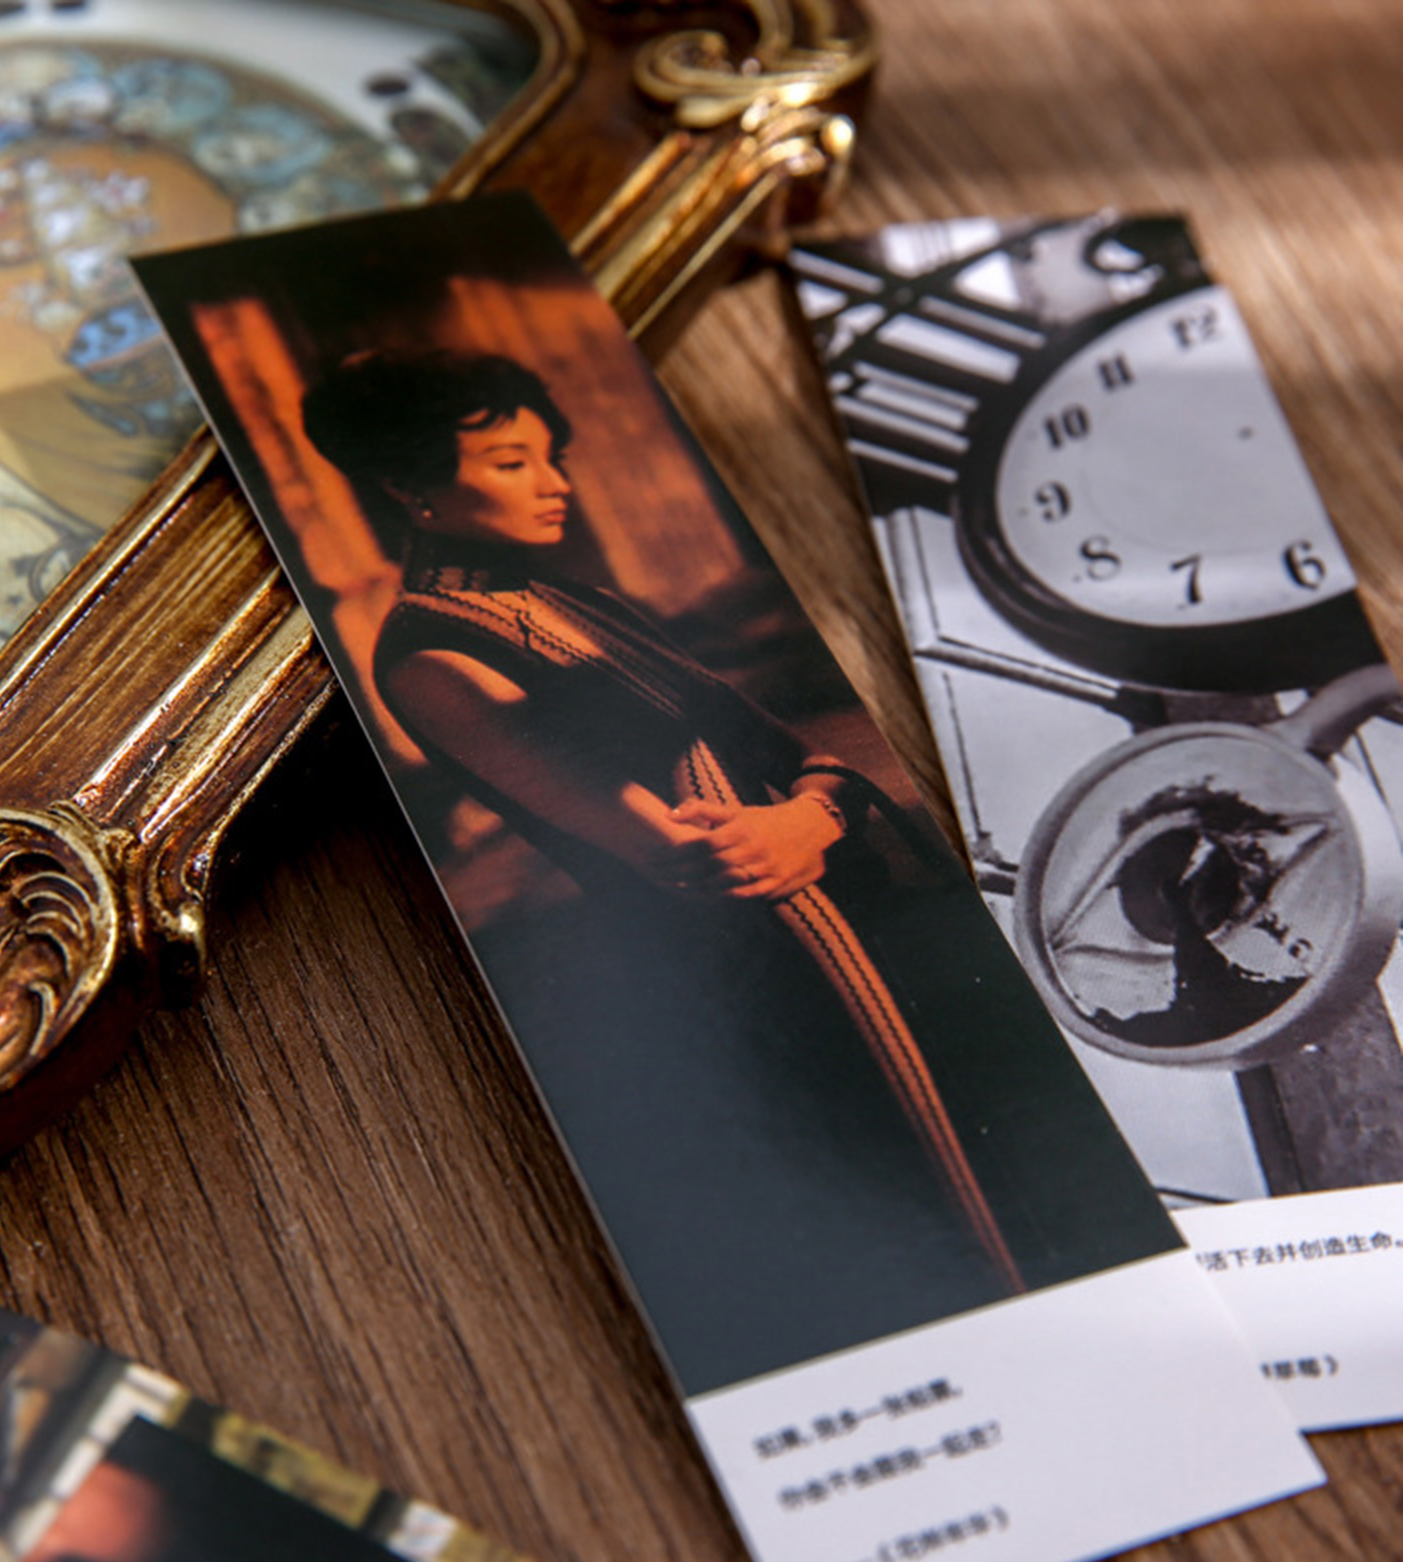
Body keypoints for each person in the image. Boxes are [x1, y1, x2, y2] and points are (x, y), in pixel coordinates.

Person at [299, 348, 1129, 1393]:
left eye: (551, 455)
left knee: (1039, 1156)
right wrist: (806, 814)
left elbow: (786, 747)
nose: (555, 482)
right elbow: (686, 856)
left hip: (852, 894)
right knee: (944, 1207)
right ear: (409, 485)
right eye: (512, 462)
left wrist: (813, 813)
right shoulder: (432, 656)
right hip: (780, 967)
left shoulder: (577, 598)